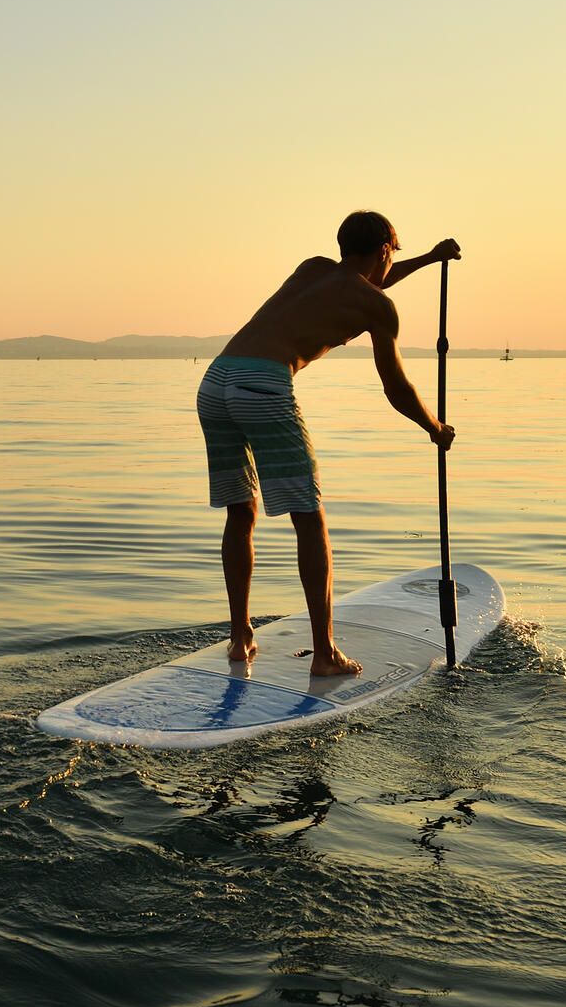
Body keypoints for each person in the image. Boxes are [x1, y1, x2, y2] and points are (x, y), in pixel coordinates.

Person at [197, 212, 460, 676]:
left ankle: (241, 638)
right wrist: (434, 427)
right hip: (263, 385)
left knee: (241, 511)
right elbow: (395, 386)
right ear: (383, 250)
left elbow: (367, 282)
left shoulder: (313, 269)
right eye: (393, 254)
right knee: (309, 518)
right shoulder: (377, 307)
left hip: (216, 381)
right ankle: (325, 653)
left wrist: (427, 259)